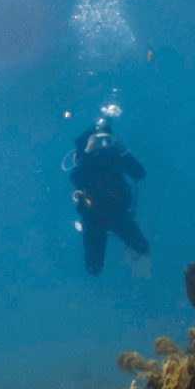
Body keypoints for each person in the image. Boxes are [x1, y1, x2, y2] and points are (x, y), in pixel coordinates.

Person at [68, 117, 149, 276]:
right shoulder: (85, 160)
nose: (101, 144)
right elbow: (75, 179)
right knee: (94, 268)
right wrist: (87, 153)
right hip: (93, 216)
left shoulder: (114, 155)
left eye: (105, 139)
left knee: (143, 248)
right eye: (97, 140)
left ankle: (132, 266)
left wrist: (122, 151)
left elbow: (140, 174)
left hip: (117, 212)